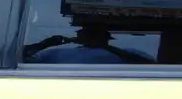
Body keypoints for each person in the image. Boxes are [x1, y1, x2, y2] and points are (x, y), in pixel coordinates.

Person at [24, 26, 156, 64]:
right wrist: (43, 44)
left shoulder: (128, 52)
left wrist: (106, 48)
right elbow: (22, 59)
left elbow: (151, 65)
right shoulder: (56, 53)